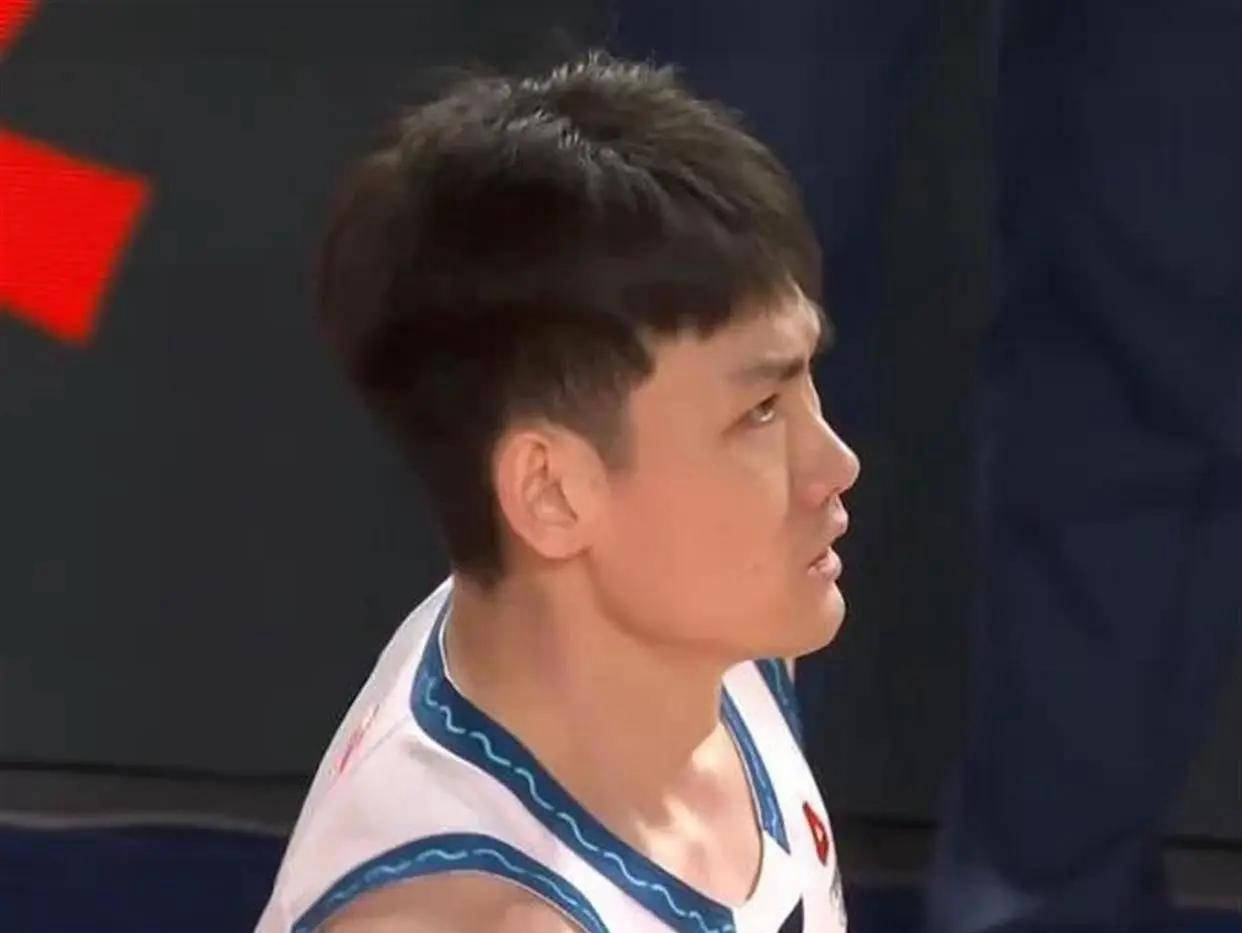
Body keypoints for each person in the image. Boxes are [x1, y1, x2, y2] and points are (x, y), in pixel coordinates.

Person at [255, 53, 860, 933]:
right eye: (760, 411)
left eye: (806, 383)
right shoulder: (472, 916)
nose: (836, 463)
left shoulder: (699, 629)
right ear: (552, 495)